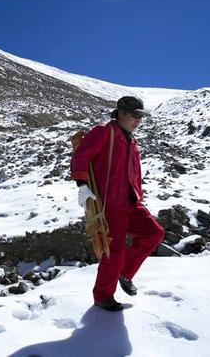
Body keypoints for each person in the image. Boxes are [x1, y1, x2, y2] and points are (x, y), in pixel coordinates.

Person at [71, 96, 164, 311]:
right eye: (135, 115)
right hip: (110, 203)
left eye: (141, 116)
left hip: (130, 201)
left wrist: (138, 195)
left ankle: (124, 273)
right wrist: (81, 185)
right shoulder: (104, 131)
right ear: (121, 112)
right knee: (115, 249)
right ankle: (102, 296)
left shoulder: (130, 139)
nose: (138, 120)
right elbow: (81, 156)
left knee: (154, 233)